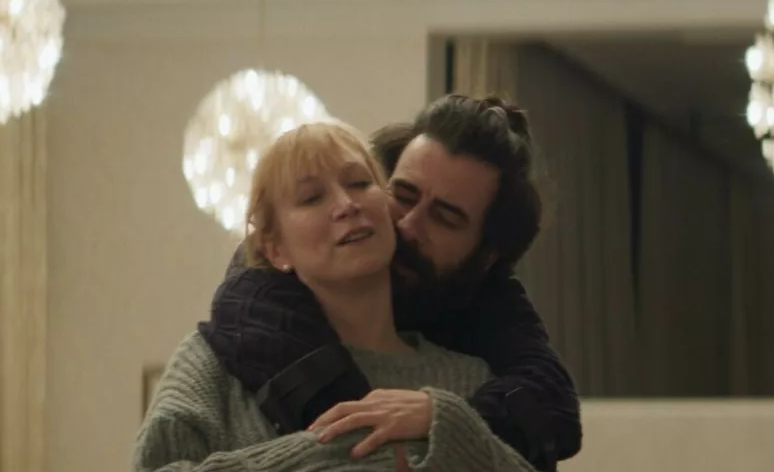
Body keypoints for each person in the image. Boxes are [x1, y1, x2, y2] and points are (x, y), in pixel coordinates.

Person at [134, 119, 544, 471]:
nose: (347, 204)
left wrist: (448, 425)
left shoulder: (468, 378)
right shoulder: (211, 364)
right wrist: (355, 452)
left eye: (360, 183)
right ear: (276, 250)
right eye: (312, 197)